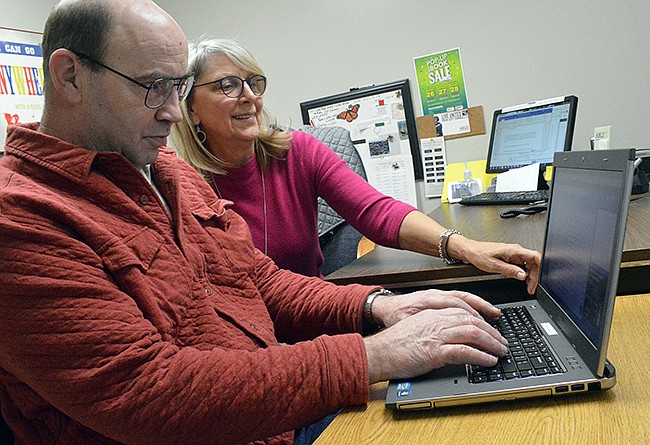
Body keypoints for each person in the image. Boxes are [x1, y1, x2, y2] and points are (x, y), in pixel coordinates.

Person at [0, 1, 519, 444]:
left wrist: (378, 306)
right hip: (252, 420)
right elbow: (144, 391)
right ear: (69, 75)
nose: (174, 114)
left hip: (277, 418)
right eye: (153, 86)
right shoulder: (21, 217)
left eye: (177, 87)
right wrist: (372, 355)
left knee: (483, 397)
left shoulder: (168, 171)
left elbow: (258, 280)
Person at [170, 37, 541, 292]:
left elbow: (376, 210)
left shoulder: (298, 151)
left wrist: (464, 247)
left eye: (254, 82)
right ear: (191, 110)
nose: (249, 97)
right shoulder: (180, 187)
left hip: (316, 316)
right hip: (250, 345)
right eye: (228, 86)